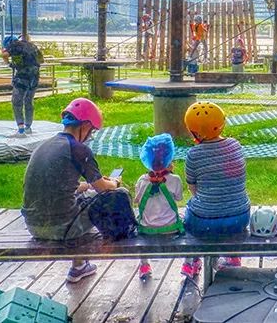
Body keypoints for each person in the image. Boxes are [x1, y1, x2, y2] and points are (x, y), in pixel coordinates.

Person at [22, 98, 123, 283]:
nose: (90, 136)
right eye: (91, 131)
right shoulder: (78, 149)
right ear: (85, 125)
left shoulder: (44, 146)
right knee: (111, 197)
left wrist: (88, 185)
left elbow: (62, 186)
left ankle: (80, 266)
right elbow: (102, 189)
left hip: (33, 225)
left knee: (82, 196)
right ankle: (81, 264)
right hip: (61, 228)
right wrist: (115, 183)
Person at [182, 102, 250, 277]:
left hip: (205, 223)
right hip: (240, 218)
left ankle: (193, 261)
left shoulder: (193, 154)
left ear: (195, 132)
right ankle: (233, 257)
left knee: (189, 214)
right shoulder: (235, 145)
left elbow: (193, 188)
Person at [133, 133, 184, 281]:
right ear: (169, 158)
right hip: (171, 228)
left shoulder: (142, 180)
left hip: (147, 229)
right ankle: (189, 264)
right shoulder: (175, 180)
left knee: (140, 220)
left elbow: (137, 200)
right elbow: (179, 198)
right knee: (186, 219)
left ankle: (144, 265)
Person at [1, 34, 43, 136]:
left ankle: (21, 129)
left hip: (22, 77)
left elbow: (5, 55)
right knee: (29, 101)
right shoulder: (32, 45)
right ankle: (28, 126)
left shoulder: (14, 45)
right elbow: (41, 60)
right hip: (35, 76)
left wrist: (8, 62)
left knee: (17, 102)